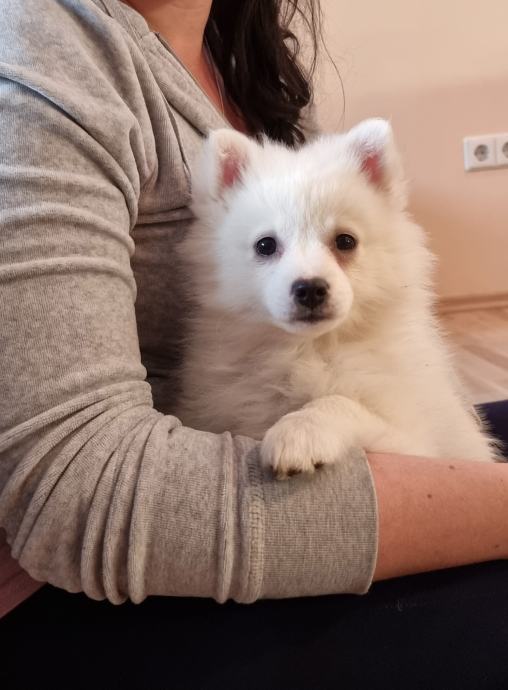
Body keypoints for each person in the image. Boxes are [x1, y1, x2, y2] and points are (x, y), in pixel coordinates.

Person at [0, 0, 507, 686]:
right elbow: (76, 491)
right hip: (103, 576)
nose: (309, 274)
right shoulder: (38, 45)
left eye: (343, 243)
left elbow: (417, 440)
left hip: (333, 482)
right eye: (269, 248)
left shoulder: (245, 64)